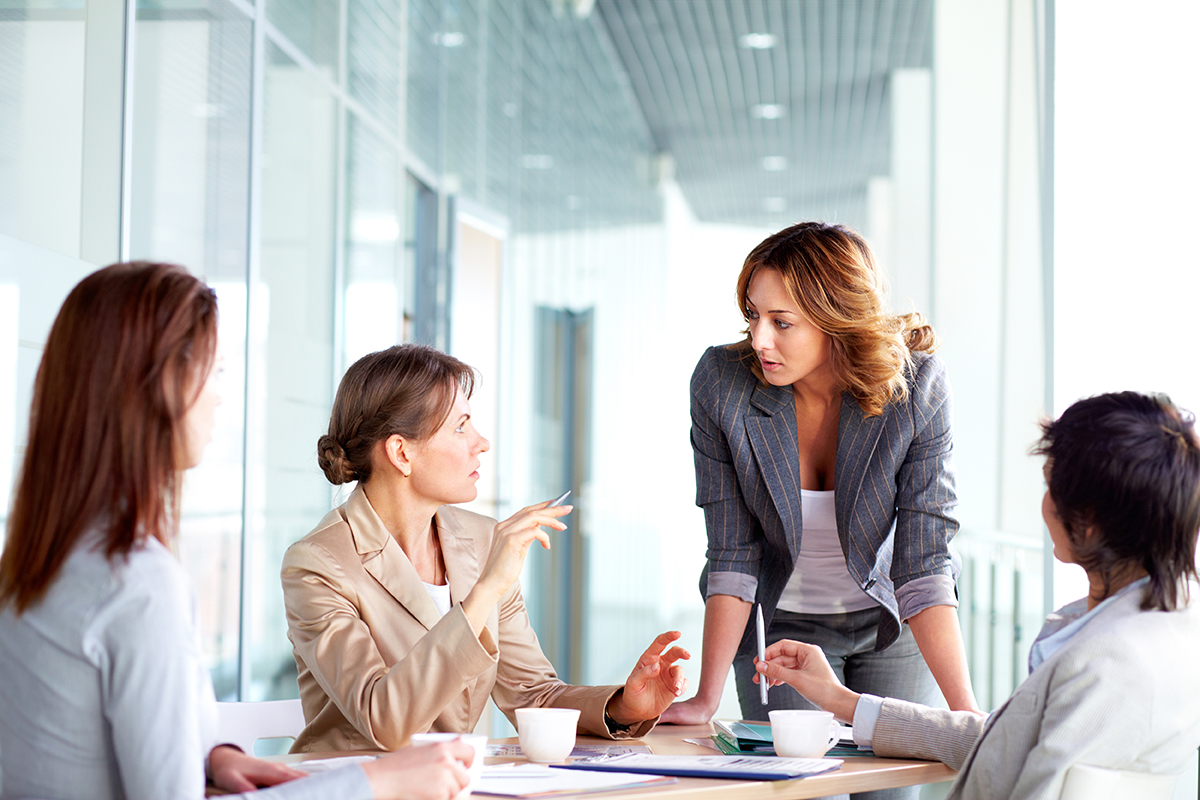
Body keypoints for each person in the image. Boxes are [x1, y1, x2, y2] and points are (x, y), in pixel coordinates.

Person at [0, 262, 476, 800]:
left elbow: (86, 739)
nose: (220, 397)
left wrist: (211, 758)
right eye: (215, 372)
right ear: (159, 387)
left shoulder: (39, 561)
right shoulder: (137, 582)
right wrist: (375, 782)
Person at [756, 391, 1200, 799]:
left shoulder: (1105, 663)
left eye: (1051, 486)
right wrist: (841, 701)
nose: (1043, 503)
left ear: (1086, 523)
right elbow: (1007, 741)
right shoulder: (1166, 629)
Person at [663, 223, 979, 766]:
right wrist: (705, 697)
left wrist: (967, 718)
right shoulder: (722, 383)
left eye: (782, 322)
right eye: (753, 317)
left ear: (838, 322)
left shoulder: (916, 387)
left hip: (894, 624)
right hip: (782, 627)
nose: (760, 339)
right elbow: (733, 551)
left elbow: (925, 560)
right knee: (797, 781)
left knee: (893, 791)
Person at [281, 344, 689, 752]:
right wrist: (487, 589)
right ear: (401, 453)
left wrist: (623, 707)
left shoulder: (480, 540)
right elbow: (383, 719)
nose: (482, 443)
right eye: (461, 427)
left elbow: (531, 693)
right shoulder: (318, 564)